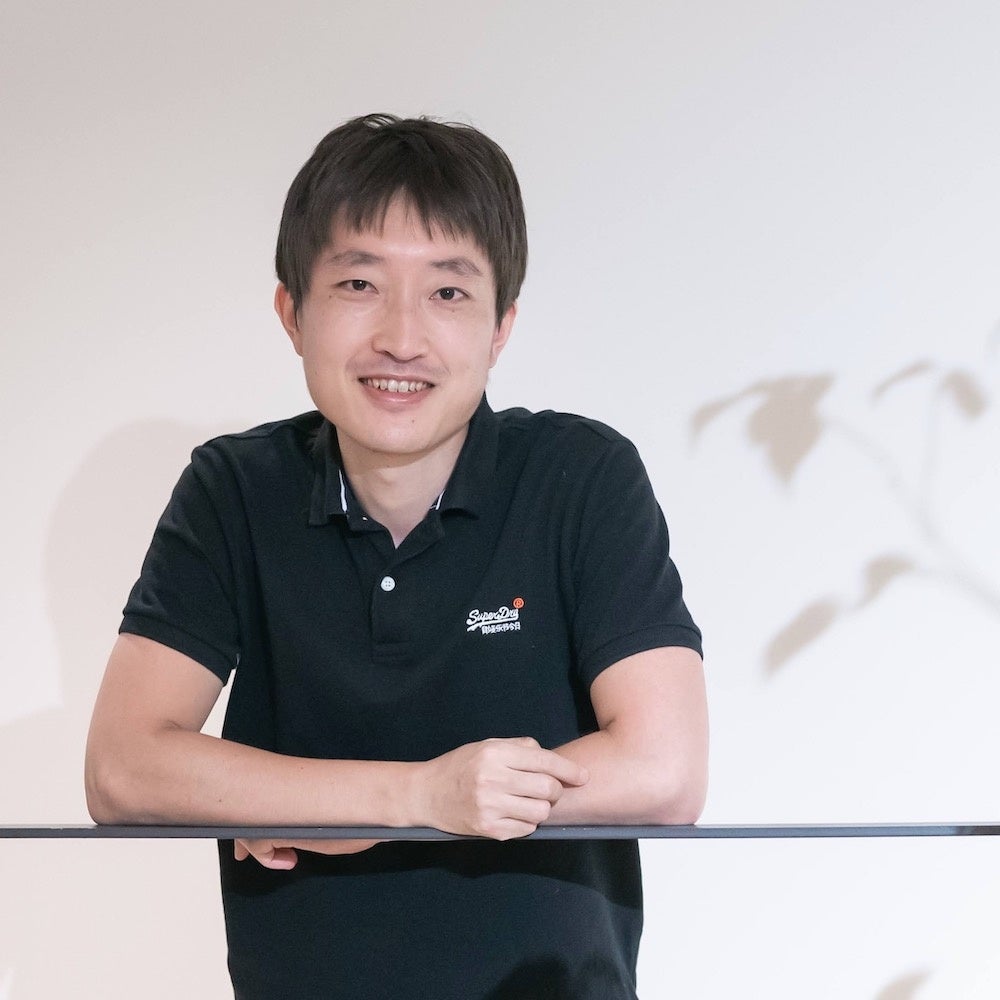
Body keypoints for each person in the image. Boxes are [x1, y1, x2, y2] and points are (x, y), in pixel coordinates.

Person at [85, 113, 708, 1000]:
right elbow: (122, 769)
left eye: (448, 292)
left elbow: (665, 771)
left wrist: (284, 796)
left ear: (501, 328)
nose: (402, 338)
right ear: (292, 314)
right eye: (359, 283)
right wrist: (418, 796)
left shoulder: (580, 475)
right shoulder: (234, 490)